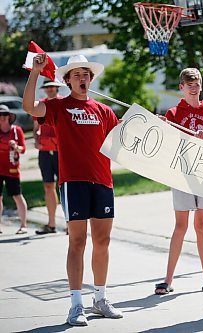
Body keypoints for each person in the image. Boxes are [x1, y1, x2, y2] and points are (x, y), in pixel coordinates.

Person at [23, 54, 123, 326]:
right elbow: (30, 107)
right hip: (73, 182)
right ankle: (76, 304)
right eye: (77, 74)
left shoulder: (104, 111)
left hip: (103, 181)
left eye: (86, 74)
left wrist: (150, 122)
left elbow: (124, 137)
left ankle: (100, 299)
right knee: (77, 242)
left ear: (91, 79)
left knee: (102, 242)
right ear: (67, 80)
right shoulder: (58, 106)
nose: (83, 78)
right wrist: (35, 72)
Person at [154, 68, 203, 295]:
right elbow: (167, 142)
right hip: (182, 174)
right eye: (189, 84)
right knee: (180, 226)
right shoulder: (174, 112)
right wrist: (161, 126)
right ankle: (167, 280)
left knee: (201, 227)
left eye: (196, 84)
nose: (193, 88)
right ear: (181, 87)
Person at [34, 80, 64, 235]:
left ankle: (70, 224)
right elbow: (36, 127)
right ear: (44, 90)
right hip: (45, 151)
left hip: (61, 151)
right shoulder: (41, 105)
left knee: (64, 187)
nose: (50, 89)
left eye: (52, 86)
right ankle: (51, 224)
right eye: (47, 87)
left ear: (57, 88)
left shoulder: (63, 103)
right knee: (48, 186)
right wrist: (36, 139)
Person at [0, 104, 28, 235]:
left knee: (17, 196)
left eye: (4, 115)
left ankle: (23, 225)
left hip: (12, 169)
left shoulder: (16, 130)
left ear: (9, 117)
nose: (2, 118)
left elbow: (23, 149)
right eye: (0, 115)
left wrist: (16, 147)